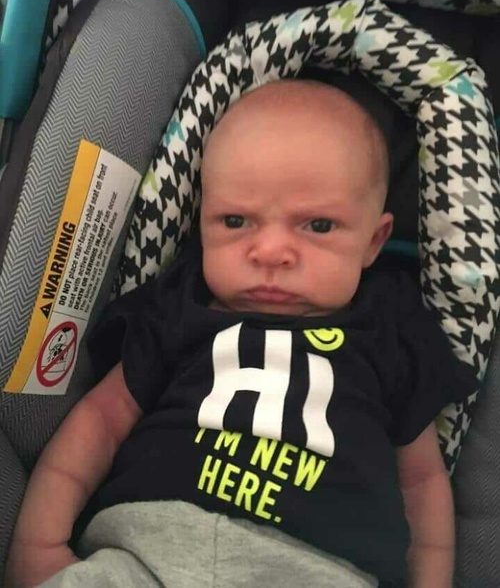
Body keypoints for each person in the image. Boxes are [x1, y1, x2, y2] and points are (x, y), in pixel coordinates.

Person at [6, 80, 477, 588]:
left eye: (318, 226)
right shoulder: (178, 307)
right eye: (235, 220)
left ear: (373, 241)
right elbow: (101, 420)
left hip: (322, 571)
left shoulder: (391, 327)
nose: (270, 252)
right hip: (144, 554)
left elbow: (422, 481)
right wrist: (40, 543)